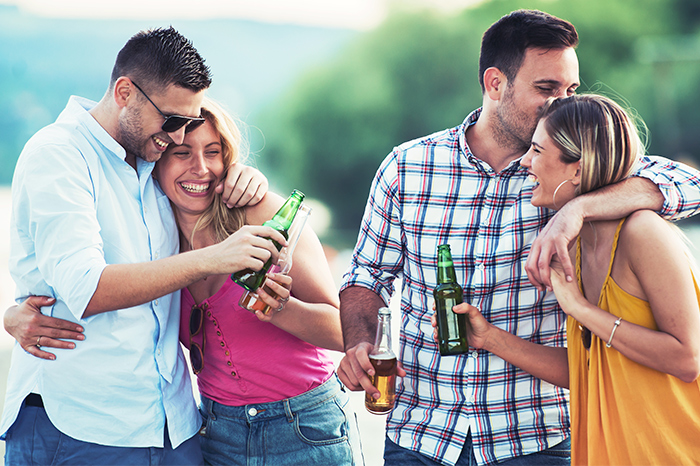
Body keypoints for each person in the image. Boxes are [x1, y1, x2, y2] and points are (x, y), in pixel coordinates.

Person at [336, 9, 700, 466]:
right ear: (494, 83)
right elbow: (366, 275)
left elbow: (691, 185)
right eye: (546, 89)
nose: (560, 104)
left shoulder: (574, 169)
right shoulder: (408, 167)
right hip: (421, 433)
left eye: (571, 90)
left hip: (535, 438)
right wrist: (359, 343)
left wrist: (579, 208)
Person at [1, 27, 280, 465]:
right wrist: (213, 259)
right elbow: (87, 288)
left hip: (174, 426)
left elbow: (202, 181)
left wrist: (248, 180)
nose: (177, 136)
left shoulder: (154, 162)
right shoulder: (57, 155)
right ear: (125, 92)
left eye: (188, 123)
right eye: (171, 121)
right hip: (79, 425)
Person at [449, 94, 700, 465]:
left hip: (668, 452)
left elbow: (687, 358)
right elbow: (591, 370)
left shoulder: (642, 233)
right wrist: (489, 338)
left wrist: (579, 308)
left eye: (536, 150)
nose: (525, 162)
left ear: (578, 170)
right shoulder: (576, 247)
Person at [156, 97, 364, 465]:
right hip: (218, 433)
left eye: (213, 151)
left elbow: (344, 330)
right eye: (182, 153)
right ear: (157, 158)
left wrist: (283, 308)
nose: (201, 168)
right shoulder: (153, 234)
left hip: (304, 426)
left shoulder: (263, 212)